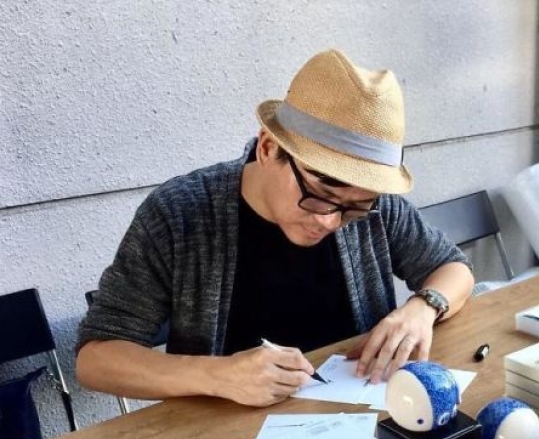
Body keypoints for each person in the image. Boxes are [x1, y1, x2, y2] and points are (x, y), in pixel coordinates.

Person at [76, 49, 474, 408]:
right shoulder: (179, 214)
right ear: (268, 148)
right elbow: (96, 358)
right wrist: (216, 374)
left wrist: (423, 307)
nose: (330, 221)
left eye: (353, 208)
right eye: (320, 192)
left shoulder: (375, 208)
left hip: (361, 418)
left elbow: (454, 269)